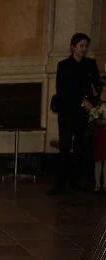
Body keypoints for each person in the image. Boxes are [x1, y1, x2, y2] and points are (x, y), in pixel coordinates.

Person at [49, 33, 100, 195]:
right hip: (67, 110)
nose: (84, 49)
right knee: (64, 146)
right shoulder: (63, 65)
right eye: (81, 46)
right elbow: (63, 90)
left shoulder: (90, 64)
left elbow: (96, 86)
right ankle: (61, 184)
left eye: (86, 46)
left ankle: (77, 182)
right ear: (73, 47)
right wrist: (80, 100)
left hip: (82, 113)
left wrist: (91, 99)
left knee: (81, 146)